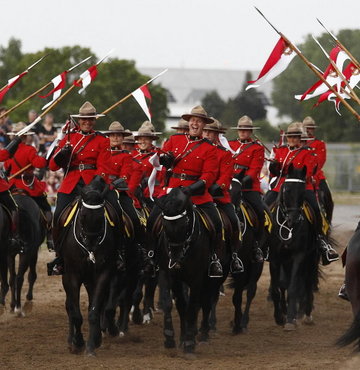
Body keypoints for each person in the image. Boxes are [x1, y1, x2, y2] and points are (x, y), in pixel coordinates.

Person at [147, 105, 223, 278]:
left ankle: (214, 259)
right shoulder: (174, 140)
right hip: (172, 191)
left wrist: (190, 189)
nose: (195, 124)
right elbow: (162, 161)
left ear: (204, 125)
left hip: (196, 193)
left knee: (216, 223)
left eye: (199, 121)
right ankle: (151, 256)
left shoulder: (210, 148)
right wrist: (165, 160)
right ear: (189, 123)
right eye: (193, 120)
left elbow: (209, 176)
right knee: (152, 220)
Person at [47, 101, 120, 275]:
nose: (87, 122)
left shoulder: (102, 140)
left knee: (116, 211)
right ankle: (59, 256)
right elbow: (52, 166)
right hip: (71, 182)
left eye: (90, 119)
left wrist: (95, 183)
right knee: (58, 217)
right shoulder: (68, 138)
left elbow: (104, 166)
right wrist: (61, 156)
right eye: (84, 119)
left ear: (94, 120)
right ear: (79, 121)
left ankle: (118, 253)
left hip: (93, 183)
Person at [264, 121, 339, 265]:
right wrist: (273, 166)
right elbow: (274, 172)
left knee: (316, 210)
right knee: (265, 208)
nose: (292, 139)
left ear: (300, 138)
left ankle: (322, 242)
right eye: (290, 137)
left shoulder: (307, 152)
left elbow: (309, 171)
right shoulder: (280, 151)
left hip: (302, 188)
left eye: (295, 137)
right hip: (280, 187)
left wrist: (291, 175)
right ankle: (263, 244)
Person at [103, 120, 152, 269]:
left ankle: (140, 250)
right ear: (109, 136)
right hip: (101, 191)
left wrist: (114, 187)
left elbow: (129, 184)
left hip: (120, 193)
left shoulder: (128, 158)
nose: (116, 138)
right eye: (113, 135)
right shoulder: (102, 154)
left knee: (134, 219)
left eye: (119, 135)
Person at [202, 118, 243, 273]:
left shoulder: (224, 154)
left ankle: (233, 256)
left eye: (209, 132)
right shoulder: (195, 150)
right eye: (204, 131)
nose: (206, 134)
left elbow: (226, 177)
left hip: (218, 197)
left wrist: (214, 187)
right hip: (197, 196)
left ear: (217, 134)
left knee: (234, 221)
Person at [4, 122, 53, 251]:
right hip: (27, 186)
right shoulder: (29, 149)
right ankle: (50, 236)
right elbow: (40, 164)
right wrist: (44, 157)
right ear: (25, 137)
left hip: (11, 185)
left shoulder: (8, 151)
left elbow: (6, 167)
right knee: (46, 208)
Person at [229, 116, 265, 263]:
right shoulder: (230, 144)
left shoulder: (257, 147)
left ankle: (257, 245)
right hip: (230, 184)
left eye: (246, 130)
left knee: (260, 213)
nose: (243, 132)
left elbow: (255, 168)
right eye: (241, 129)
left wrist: (243, 181)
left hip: (249, 187)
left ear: (250, 131)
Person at [303, 116, 334, 222]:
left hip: (316, 175)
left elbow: (320, 162)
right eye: (306, 128)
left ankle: (327, 221)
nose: (308, 130)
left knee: (327, 196)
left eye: (310, 128)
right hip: (299, 176)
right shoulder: (298, 143)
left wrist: (311, 176)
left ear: (314, 129)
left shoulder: (319, 144)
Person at [128, 121, 162, 210]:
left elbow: (160, 177)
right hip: (132, 192)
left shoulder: (157, 155)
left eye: (146, 139)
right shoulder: (132, 155)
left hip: (150, 194)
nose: (142, 141)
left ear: (151, 140)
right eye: (140, 139)